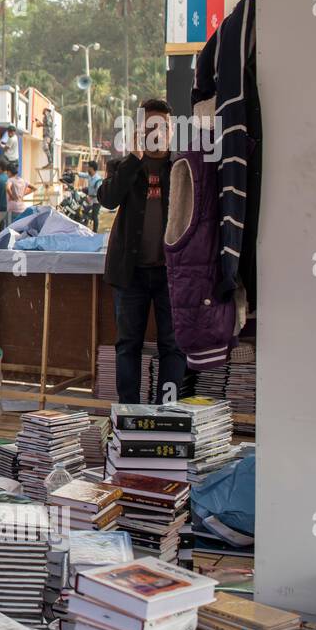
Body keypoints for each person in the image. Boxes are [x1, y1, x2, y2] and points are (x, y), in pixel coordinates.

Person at [98, 98, 186, 404]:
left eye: (161, 127)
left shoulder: (182, 168)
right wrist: (134, 157)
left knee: (173, 345)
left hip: (171, 274)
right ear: (139, 131)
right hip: (130, 273)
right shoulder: (122, 166)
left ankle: (168, 410)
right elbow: (107, 199)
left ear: (172, 131)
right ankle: (128, 411)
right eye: (149, 128)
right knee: (127, 344)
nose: (156, 134)